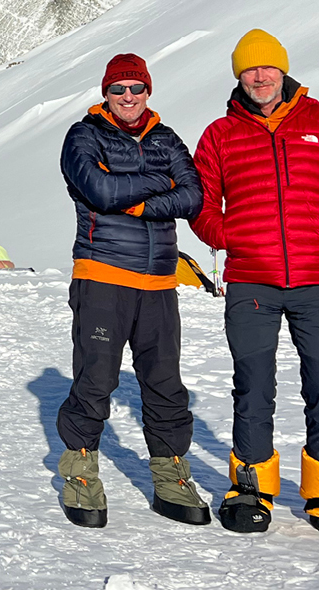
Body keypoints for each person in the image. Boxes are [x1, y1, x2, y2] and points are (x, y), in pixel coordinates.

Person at [192, 29, 319, 541]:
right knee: (253, 387)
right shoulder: (220, 134)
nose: (259, 76)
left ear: (283, 71)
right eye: (249, 69)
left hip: (317, 281)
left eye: (267, 67)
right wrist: (229, 236)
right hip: (252, 280)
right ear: (239, 76)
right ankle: (250, 489)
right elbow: (202, 205)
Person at [56, 53, 207, 528]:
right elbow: (98, 191)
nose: (128, 97)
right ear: (105, 92)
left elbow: (194, 195)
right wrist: (159, 182)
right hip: (103, 275)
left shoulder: (166, 137)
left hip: (160, 280)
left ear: (148, 92)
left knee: (164, 384)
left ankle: (170, 475)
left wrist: (138, 204)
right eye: (119, 88)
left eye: (136, 88)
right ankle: (80, 473)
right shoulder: (83, 135)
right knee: (96, 380)